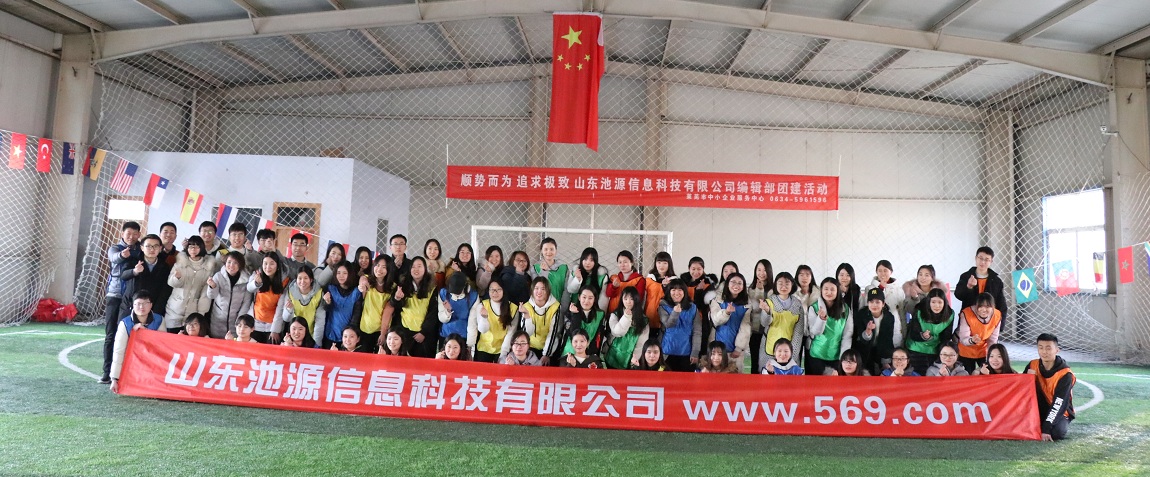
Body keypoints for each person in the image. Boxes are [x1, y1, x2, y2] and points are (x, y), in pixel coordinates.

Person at [108, 290, 164, 392]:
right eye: (138, 304)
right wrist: (114, 379)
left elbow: (162, 346)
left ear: (151, 305)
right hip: (133, 363)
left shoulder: (159, 320)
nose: (142, 307)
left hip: (153, 362)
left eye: (145, 303)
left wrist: (145, 332)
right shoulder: (125, 324)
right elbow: (119, 351)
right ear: (133, 305)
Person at [116, 234, 172, 328]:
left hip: (152, 309)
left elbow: (165, 291)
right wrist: (134, 271)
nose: (152, 249)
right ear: (142, 248)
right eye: (148, 246)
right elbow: (123, 276)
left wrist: (156, 311)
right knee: (125, 333)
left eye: (155, 246)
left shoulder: (164, 266)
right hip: (130, 305)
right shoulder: (133, 260)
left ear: (160, 248)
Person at [1027, 333, 1076, 441]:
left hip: (1060, 410)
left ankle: (1052, 423)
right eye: (1041, 348)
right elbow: (1022, 389)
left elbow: (1059, 403)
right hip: (1038, 407)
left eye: (1048, 348)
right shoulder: (1032, 365)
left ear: (1057, 350)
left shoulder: (1065, 374)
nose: (1044, 351)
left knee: (1056, 433)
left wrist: (1046, 428)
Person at [164, 235, 216, 333]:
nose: (193, 249)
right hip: (174, 309)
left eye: (196, 247)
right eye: (190, 247)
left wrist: (201, 313)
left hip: (192, 312)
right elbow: (171, 283)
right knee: (170, 337)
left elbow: (205, 293)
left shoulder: (208, 267)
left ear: (202, 248)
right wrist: (177, 278)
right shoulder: (180, 262)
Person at [391, 256, 439, 357]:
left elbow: (433, 313)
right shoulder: (403, 285)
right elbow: (395, 307)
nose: (416, 269)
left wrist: (424, 332)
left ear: (425, 269)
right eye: (413, 267)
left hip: (423, 334)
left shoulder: (432, 288)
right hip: (405, 332)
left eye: (419, 266)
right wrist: (397, 298)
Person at [805, 277, 853, 376]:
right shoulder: (814, 308)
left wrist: (843, 357)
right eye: (826, 289)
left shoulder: (845, 309)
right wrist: (821, 319)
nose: (829, 292)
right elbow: (815, 332)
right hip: (816, 355)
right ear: (821, 291)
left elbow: (847, 335)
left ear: (837, 291)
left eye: (832, 289)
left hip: (836, 356)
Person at [759, 271, 805, 373]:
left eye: (787, 283)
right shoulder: (769, 302)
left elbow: (798, 331)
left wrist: (792, 353)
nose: (783, 286)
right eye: (780, 283)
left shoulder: (798, 305)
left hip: (788, 351)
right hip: (769, 348)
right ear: (776, 285)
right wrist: (767, 311)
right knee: (767, 375)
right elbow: (764, 323)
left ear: (792, 285)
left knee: (789, 377)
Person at [954, 246, 1008, 330]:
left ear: (991, 261)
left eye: (987, 259)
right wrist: (969, 287)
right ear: (976, 258)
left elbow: (1001, 304)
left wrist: (1000, 326)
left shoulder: (996, 281)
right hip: (969, 320)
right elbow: (958, 295)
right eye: (981, 258)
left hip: (989, 323)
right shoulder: (966, 276)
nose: (983, 262)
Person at [852, 287, 903, 376]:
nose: (874, 305)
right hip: (864, 350)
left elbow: (887, 340)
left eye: (877, 302)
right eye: (871, 302)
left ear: (883, 304)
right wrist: (868, 331)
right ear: (867, 303)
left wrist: (885, 361)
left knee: (883, 373)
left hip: (881, 349)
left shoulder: (889, 317)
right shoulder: (861, 315)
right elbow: (860, 339)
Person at [905, 288, 955, 375]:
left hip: (935, 350)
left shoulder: (949, 314)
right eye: (933, 302)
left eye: (940, 302)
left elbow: (946, 337)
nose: (937, 306)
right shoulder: (920, 311)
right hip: (916, 349)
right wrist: (923, 336)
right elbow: (913, 333)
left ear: (944, 303)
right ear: (929, 302)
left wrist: (943, 354)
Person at [708, 272, 751, 372]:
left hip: (735, 351)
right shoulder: (717, 301)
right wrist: (726, 312)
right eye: (733, 282)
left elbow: (745, 328)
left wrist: (739, 348)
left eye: (740, 283)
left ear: (743, 286)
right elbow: (715, 320)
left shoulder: (747, 305)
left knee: (735, 378)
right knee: (716, 378)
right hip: (717, 350)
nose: (736, 285)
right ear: (727, 284)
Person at [468, 278, 518, 363]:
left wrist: (504, 353)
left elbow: (511, 332)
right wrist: (484, 318)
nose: (495, 293)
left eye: (498, 290)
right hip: (484, 347)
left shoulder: (513, 308)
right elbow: (482, 330)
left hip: (502, 348)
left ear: (503, 290)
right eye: (492, 290)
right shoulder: (482, 305)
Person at [275, 267, 326, 348]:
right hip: (294, 335)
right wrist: (289, 310)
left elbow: (320, 321)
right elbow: (286, 318)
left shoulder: (319, 293)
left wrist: (317, 344)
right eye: (300, 278)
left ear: (311, 280)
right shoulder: (290, 291)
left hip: (311, 336)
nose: (302, 281)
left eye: (306, 278)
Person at [205, 252, 252, 339]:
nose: (231, 265)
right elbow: (211, 296)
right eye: (229, 262)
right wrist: (212, 286)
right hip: (218, 320)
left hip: (236, 323)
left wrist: (239, 322)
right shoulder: (218, 276)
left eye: (235, 263)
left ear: (240, 264)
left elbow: (246, 302)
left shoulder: (246, 280)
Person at [660, 278, 702, 372]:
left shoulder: (693, 308)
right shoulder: (663, 306)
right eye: (673, 290)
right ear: (669, 291)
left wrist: (695, 352)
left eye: (680, 290)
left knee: (686, 380)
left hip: (687, 353)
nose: (677, 293)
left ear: (684, 292)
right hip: (667, 352)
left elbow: (697, 332)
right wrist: (675, 313)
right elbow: (668, 324)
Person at [603, 286, 649, 370]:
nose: (628, 302)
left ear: (636, 300)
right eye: (625, 299)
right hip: (612, 355)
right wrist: (626, 317)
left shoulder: (643, 320)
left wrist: (634, 359)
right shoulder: (615, 315)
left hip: (629, 360)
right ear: (622, 300)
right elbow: (617, 332)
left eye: (632, 299)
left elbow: (641, 343)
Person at [681, 256, 717, 363]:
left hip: (701, 320)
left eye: (699, 269)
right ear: (689, 268)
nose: (696, 272)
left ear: (703, 269)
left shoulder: (708, 284)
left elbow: (703, 306)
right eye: (693, 269)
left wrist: (699, 291)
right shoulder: (683, 282)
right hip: (685, 319)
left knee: (700, 348)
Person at [956, 292, 1002, 373]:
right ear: (976, 305)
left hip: (983, 351)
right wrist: (972, 340)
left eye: (987, 306)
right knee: (967, 376)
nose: (983, 310)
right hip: (966, 351)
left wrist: (991, 355)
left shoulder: (997, 315)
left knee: (988, 374)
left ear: (993, 306)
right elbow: (963, 338)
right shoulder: (966, 314)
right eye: (980, 306)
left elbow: (993, 340)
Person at [247, 253, 288, 343]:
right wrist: (256, 283)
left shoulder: (285, 281)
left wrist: (275, 330)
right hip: (255, 323)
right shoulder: (257, 274)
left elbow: (280, 308)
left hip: (272, 325)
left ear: (277, 266)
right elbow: (249, 288)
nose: (268, 267)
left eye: (271, 264)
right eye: (265, 263)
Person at [559, 285, 607, 360]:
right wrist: (575, 315)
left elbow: (598, 337)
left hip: (588, 353)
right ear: (579, 297)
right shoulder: (570, 312)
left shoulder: (600, 314)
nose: (586, 301)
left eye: (590, 298)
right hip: (570, 352)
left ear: (594, 299)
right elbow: (573, 333)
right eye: (584, 297)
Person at [322, 262, 363, 349]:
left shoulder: (356, 292)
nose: (341, 276)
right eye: (338, 273)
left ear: (350, 274)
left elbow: (356, 315)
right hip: (330, 333)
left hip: (348, 338)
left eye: (344, 273)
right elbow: (325, 310)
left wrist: (349, 334)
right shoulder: (330, 288)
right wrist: (327, 302)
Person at [520, 276, 561, 362]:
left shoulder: (555, 306)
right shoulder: (526, 306)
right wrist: (527, 315)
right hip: (530, 346)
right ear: (532, 290)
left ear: (548, 291)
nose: (539, 292)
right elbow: (526, 334)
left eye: (543, 289)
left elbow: (553, 333)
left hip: (550, 347)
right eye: (536, 288)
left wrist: (546, 354)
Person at [359, 255, 396, 348]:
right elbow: (362, 281)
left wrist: (383, 333)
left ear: (389, 270)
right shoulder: (367, 280)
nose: (379, 269)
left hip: (381, 330)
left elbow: (388, 312)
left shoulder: (393, 287)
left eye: (384, 267)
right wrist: (362, 286)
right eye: (377, 265)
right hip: (366, 328)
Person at [746, 259, 774, 378]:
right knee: (755, 362)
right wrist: (759, 291)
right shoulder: (751, 288)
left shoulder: (773, 290)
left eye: (764, 270)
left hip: (769, 332)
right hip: (755, 331)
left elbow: (769, 308)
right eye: (759, 270)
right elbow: (755, 308)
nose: (761, 273)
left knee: (768, 362)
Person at [438, 272, 478, 350]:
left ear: (464, 286)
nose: (455, 294)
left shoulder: (473, 296)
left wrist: (470, 343)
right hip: (446, 335)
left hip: (463, 336)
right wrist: (448, 311)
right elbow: (441, 318)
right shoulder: (443, 293)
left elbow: (472, 322)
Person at [564, 247, 609, 311]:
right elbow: (570, 290)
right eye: (585, 259)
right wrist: (578, 279)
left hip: (594, 311)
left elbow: (603, 297)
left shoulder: (602, 276)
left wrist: (601, 313)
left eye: (591, 260)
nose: (587, 263)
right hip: (575, 309)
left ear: (595, 261)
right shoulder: (575, 271)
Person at [530, 238, 569, 311]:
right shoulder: (535, 268)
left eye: (551, 249)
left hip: (559, 307)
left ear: (556, 251)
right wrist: (544, 272)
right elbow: (537, 289)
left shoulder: (564, 268)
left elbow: (566, 289)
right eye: (546, 249)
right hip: (541, 309)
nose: (549, 252)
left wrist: (563, 307)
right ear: (541, 251)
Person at [644, 251, 676, 339]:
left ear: (669, 264)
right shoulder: (649, 280)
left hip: (666, 318)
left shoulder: (674, 281)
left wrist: (665, 287)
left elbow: (674, 299)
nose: (661, 266)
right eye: (659, 262)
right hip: (649, 316)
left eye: (665, 263)